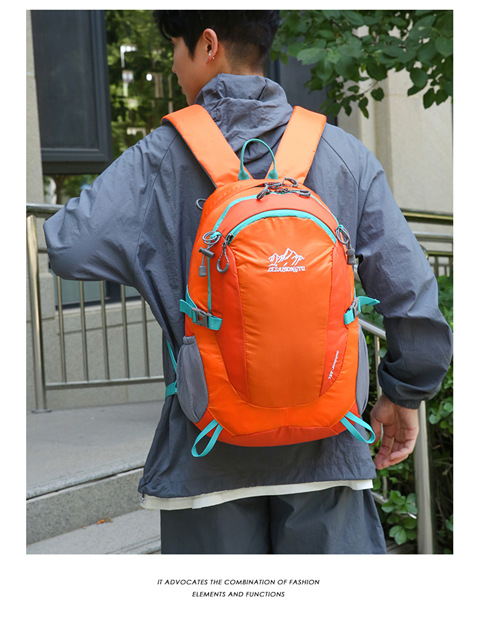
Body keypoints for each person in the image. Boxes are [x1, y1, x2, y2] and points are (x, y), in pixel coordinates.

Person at [44, 10, 453, 554]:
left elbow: (69, 245)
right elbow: (410, 288)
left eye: (176, 48)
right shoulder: (340, 152)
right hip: (326, 450)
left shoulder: (159, 157)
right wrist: (404, 392)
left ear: (208, 44)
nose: (173, 64)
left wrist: (159, 262)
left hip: (206, 450)